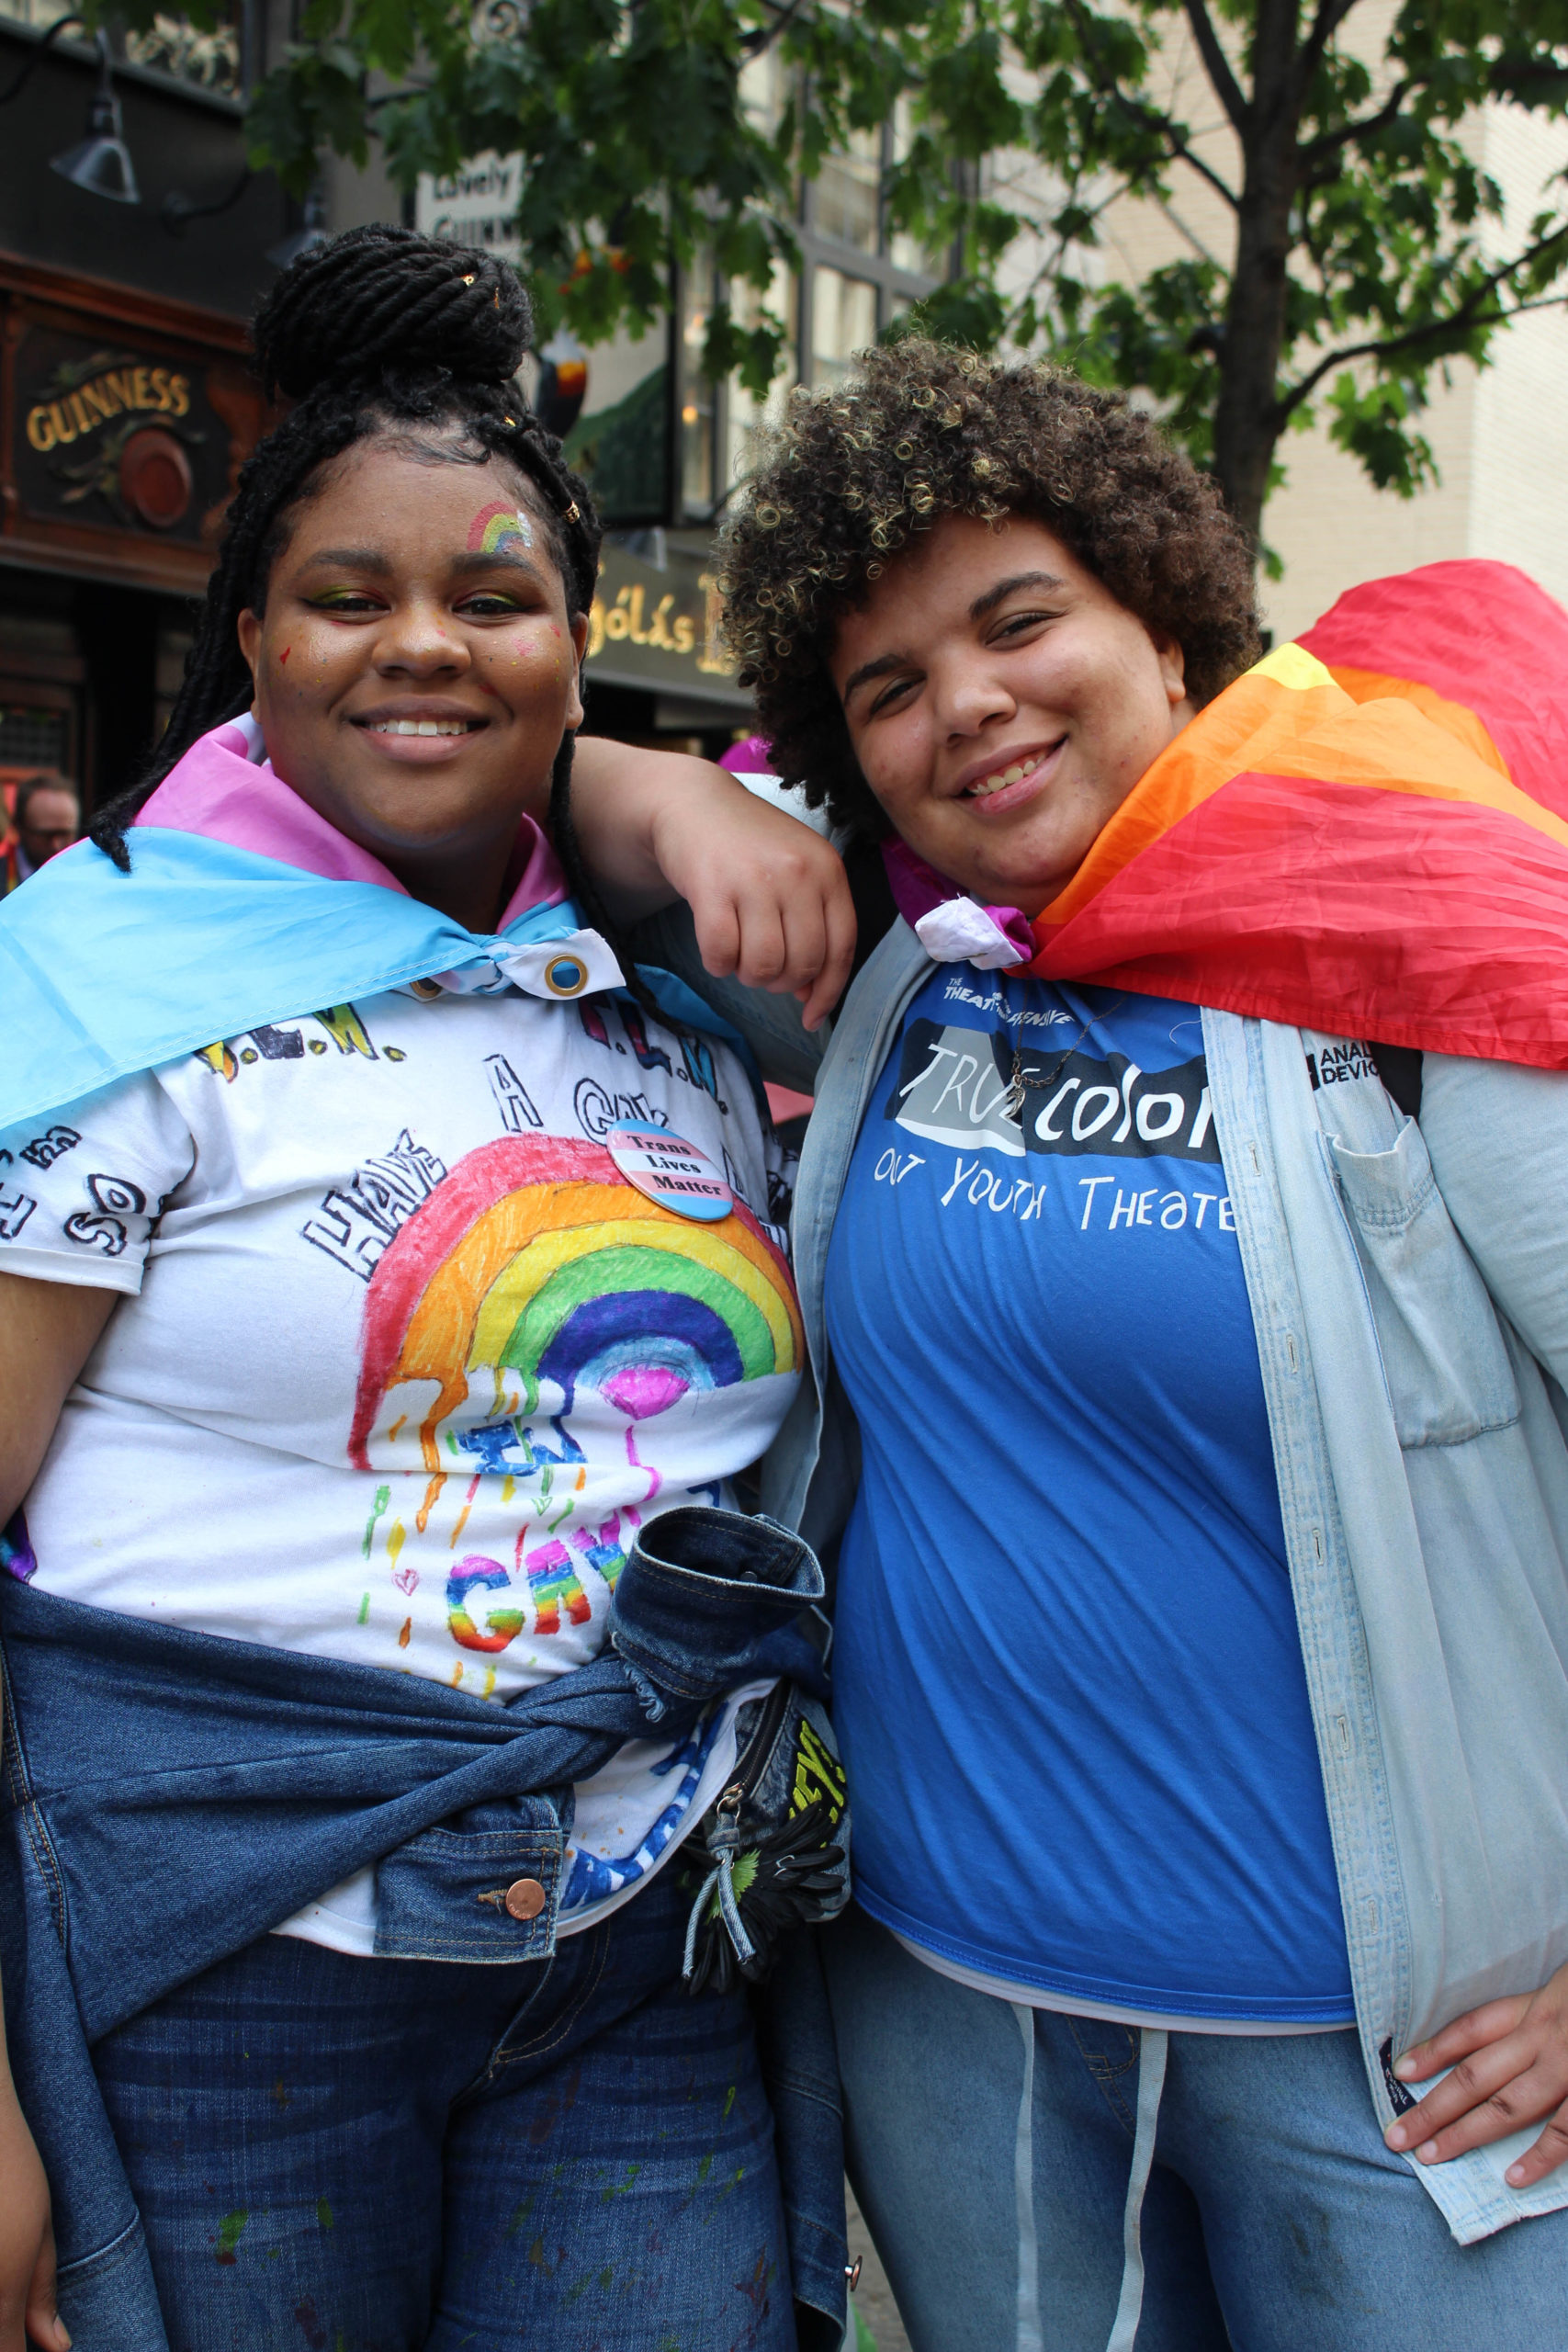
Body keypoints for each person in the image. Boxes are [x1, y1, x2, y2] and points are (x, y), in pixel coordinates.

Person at [602, 339, 1568, 2349]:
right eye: (883, 684)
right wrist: (671, 780)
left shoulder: (1421, 960)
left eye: (1019, 615)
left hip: (1400, 2054)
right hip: (954, 2022)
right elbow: (482, 767)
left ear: (1166, 612)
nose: (966, 703)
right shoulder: (900, 965)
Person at [0, 227, 859, 2352]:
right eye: (346, 599)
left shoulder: (664, 986)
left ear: (578, 654)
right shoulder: (96, 992)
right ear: (252, 638)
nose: (423, 649)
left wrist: (652, 800)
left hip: (644, 1966)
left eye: (492, 601)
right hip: (223, 1980)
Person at [3, 773, 79, 893]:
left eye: (65, 834)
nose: (56, 845)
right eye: (46, 836)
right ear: (20, 827)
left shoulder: (84, 878)